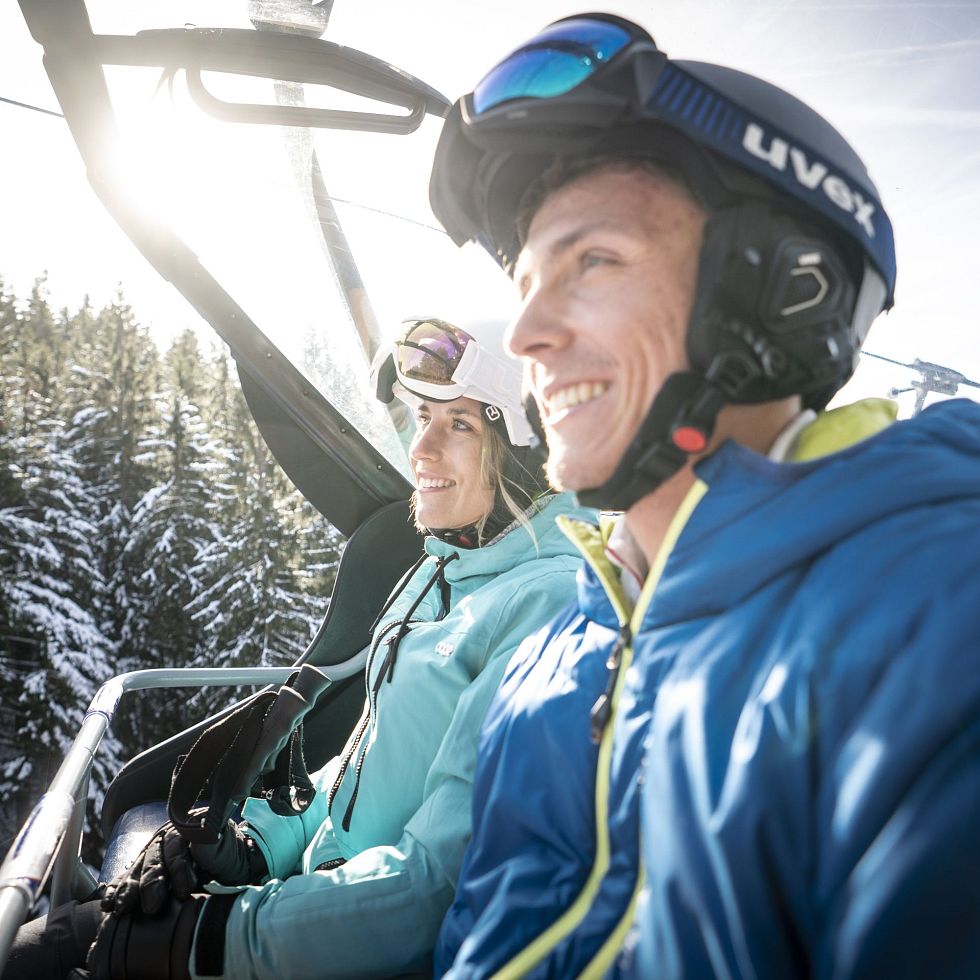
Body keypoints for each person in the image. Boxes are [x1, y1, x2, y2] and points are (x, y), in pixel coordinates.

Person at [427, 13, 980, 979]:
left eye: (591, 262)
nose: (523, 335)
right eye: (524, 281)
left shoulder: (933, 632)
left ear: (783, 295)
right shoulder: (551, 660)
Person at [2, 317, 593, 979]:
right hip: (316, 909)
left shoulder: (551, 605)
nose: (421, 448)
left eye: (460, 425)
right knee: (39, 942)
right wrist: (255, 845)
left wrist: (204, 940)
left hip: (375, 951)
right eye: (421, 415)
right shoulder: (444, 565)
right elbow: (364, 774)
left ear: (526, 450)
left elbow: (437, 888)